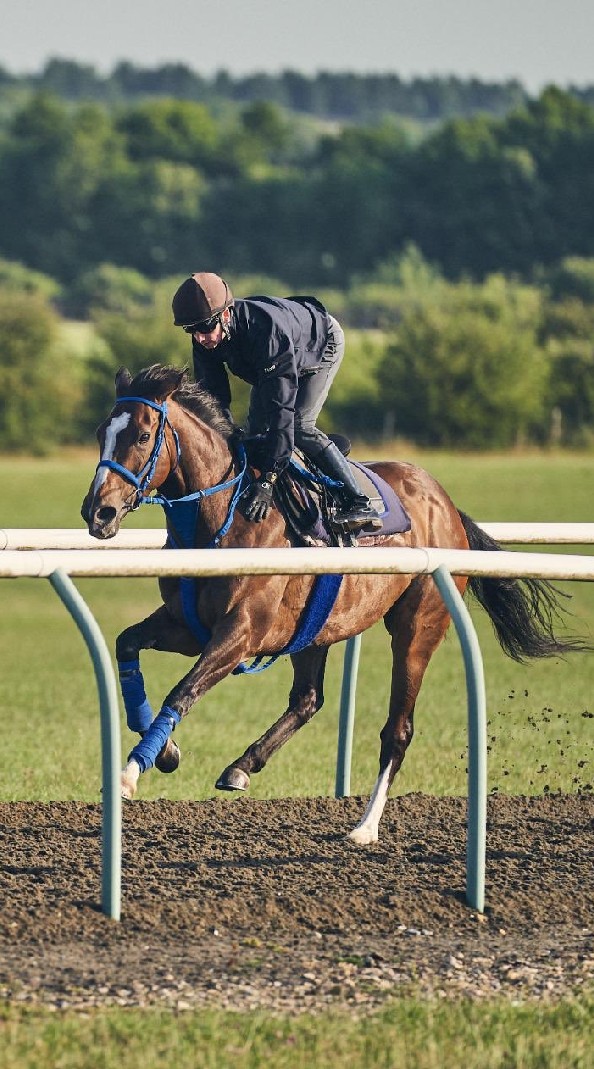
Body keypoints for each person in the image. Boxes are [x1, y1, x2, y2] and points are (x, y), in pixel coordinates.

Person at [171, 272, 382, 530]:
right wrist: (228, 435)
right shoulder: (205, 340)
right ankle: (314, 452)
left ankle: (359, 501)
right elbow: (214, 400)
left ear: (225, 315)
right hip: (274, 357)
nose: (200, 337)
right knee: (255, 434)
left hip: (319, 343)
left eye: (204, 328)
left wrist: (268, 480)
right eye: (191, 330)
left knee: (298, 424)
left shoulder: (265, 333)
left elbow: (281, 411)